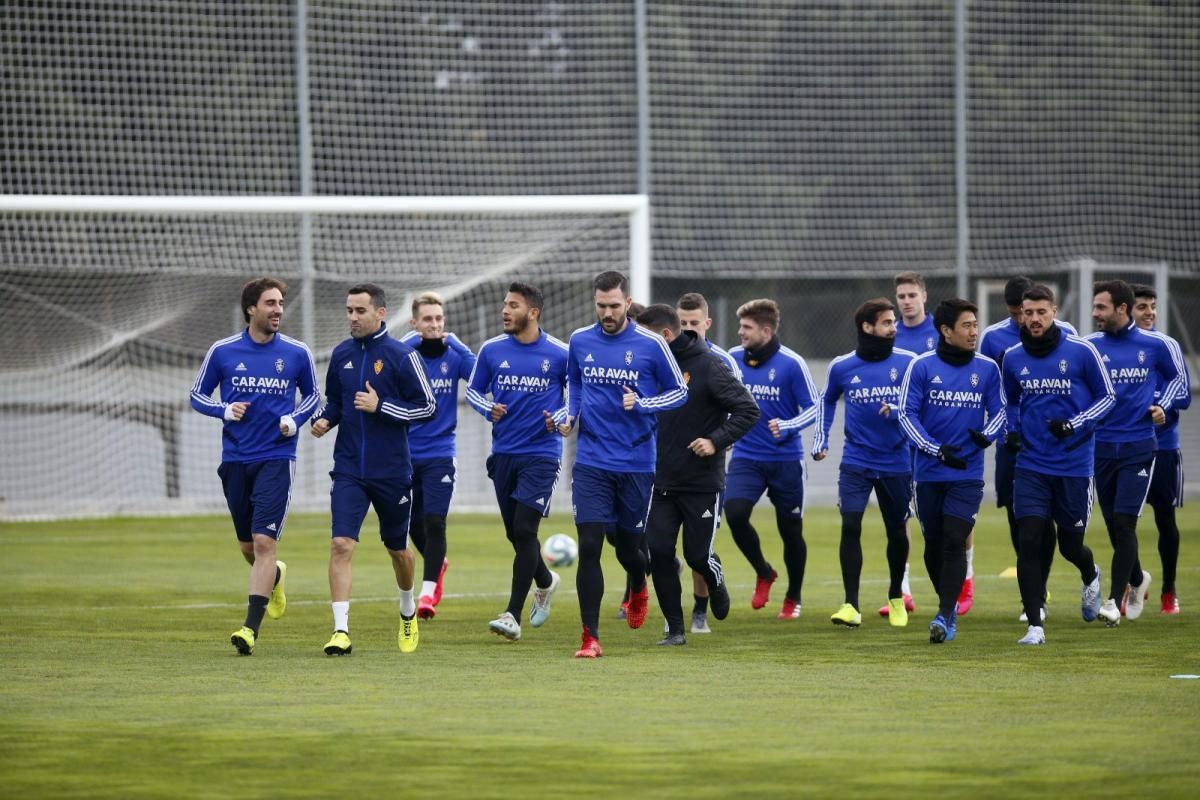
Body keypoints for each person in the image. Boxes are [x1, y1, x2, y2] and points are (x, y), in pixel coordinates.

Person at [558, 271, 687, 658]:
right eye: (601, 305)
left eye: (614, 305)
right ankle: (590, 637)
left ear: (628, 303)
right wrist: (570, 416)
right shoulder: (580, 341)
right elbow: (576, 385)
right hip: (592, 460)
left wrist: (643, 403)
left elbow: (679, 392)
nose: (607, 312)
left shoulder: (650, 344)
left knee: (630, 549)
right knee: (591, 544)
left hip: (636, 461)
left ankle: (637, 581)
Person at [189, 277, 321, 655]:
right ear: (251, 309)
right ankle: (275, 575)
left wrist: (295, 420)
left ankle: (249, 628)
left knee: (265, 542)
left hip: (277, 458)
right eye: (270, 303)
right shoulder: (223, 351)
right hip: (235, 460)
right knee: (249, 547)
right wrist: (224, 410)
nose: (278, 309)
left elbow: (312, 395)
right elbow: (197, 395)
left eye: (281, 303)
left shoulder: (297, 353)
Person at [310, 284, 437, 655]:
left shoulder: (401, 356)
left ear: (380, 313)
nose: (352, 317)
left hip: (393, 471)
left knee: (398, 550)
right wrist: (324, 421)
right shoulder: (341, 354)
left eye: (359, 311)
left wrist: (383, 406)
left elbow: (427, 407)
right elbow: (337, 403)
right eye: (348, 310)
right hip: (348, 469)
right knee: (340, 543)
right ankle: (340, 631)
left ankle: (407, 608)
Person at [637, 304, 759, 645]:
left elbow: (748, 410)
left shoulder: (709, 366)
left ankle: (714, 580)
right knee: (659, 553)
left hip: (702, 483)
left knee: (697, 556)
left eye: (644, 336)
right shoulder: (651, 366)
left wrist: (715, 441)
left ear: (664, 336)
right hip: (660, 481)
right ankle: (675, 629)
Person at [1002, 284, 1114, 645]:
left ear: (1053, 312)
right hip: (1031, 465)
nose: (1033, 319)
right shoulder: (1014, 357)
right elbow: (1010, 402)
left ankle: (1090, 572)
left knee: (1070, 545)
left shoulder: (1081, 352)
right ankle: (1035, 624)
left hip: (1074, 466)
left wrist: (1074, 424)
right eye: (1027, 313)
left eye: (1041, 312)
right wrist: (1013, 430)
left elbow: (1107, 396)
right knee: (1030, 538)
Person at [465, 282, 569, 642]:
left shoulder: (560, 353)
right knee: (515, 533)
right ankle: (545, 580)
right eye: (504, 305)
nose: (505, 311)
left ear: (533, 312)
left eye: (513, 305)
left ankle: (512, 613)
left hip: (542, 455)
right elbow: (473, 390)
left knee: (525, 530)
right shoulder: (492, 350)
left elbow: (578, 397)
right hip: (504, 454)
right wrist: (485, 408)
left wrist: (561, 417)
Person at [898, 299, 1006, 643]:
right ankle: (948, 606)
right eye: (966, 326)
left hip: (968, 474)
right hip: (929, 473)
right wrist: (935, 449)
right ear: (946, 331)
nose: (974, 332)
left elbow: (1002, 411)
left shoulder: (988, 368)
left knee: (954, 540)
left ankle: (945, 615)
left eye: (975, 325)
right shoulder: (921, 367)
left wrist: (987, 436)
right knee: (933, 545)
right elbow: (906, 415)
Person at [1086, 280, 1186, 625]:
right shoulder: (1089, 347)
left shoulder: (1157, 344)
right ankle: (1138, 575)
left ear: (1121, 309)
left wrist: (1162, 404)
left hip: (1140, 447)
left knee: (1128, 523)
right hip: (1100, 449)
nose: (1095, 313)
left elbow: (1179, 383)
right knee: (1114, 524)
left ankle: (1115, 600)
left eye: (1100, 307)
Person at [813, 298, 917, 628]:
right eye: (887, 322)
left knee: (897, 531)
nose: (894, 327)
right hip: (856, 460)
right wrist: (821, 439)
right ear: (867, 327)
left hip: (897, 462)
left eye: (893, 322)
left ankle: (897, 598)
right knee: (850, 525)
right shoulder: (842, 366)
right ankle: (851, 605)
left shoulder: (909, 363)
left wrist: (899, 411)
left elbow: (921, 405)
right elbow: (826, 400)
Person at [977, 276, 1077, 622]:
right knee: (1018, 517)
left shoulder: (1067, 334)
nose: (1026, 320)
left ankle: (1037, 595)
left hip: (1053, 446)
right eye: (1018, 313)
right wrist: (1004, 429)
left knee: (1043, 520)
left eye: (1033, 312)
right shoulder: (993, 338)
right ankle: (1034, 591)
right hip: (1012, 445)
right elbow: (993, 390)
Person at [726, 299, 819, 619]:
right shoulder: (733, 359)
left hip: (785, 461)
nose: (740, 332)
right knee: (734, 513)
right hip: (747, 456)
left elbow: (814, 407)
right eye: (740, 327)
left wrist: (789, 425)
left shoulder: (792, 364)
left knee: (790, 529)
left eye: (746, 328)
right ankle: (764, 571)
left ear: (766, 331)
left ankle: (793, 597)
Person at [399, 291, 476, 619]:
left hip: (441, 452)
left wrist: (461, 346)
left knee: (435, 520)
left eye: (439, 319)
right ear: (415, 323)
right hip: (404, 453)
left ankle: (428, 594)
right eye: (427, 319)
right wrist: (404, 341)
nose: (434, 325)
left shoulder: (454, 355)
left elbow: (480, 377)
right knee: (409, 523)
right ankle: (438, 562)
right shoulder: (406, 355)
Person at [675, 291, 740, 633]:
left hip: (705, 471)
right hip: (667, 469)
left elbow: (740, 411)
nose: (688, 330)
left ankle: (700, 610)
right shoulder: (668, 358)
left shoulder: (721, 362)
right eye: (682, 323)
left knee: (699, 550)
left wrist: (716, 442)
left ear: (708, 324)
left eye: (694, 324)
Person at [1130, 284, 1190, 614]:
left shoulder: (1168, 347)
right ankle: (1136, 580)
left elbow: (1183, 395)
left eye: (1152, 306)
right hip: (1128, 448)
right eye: (1142, 306)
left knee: (1165, 518)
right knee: (1125, 521)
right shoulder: (1113, 350)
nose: (1149, 312)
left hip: (1164, 448)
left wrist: (1157, 405)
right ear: (1127, 310)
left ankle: (1169, 589)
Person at [882, 271, 936, 616]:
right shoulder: (890, 335)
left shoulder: (939, 334)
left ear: (924, 296)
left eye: (911, 295)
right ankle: (902, 589)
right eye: (901, 296)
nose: (906, 301)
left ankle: (966, 576)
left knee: (945, 521)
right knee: (901, 519)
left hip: (935, 440)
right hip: (900, 446)